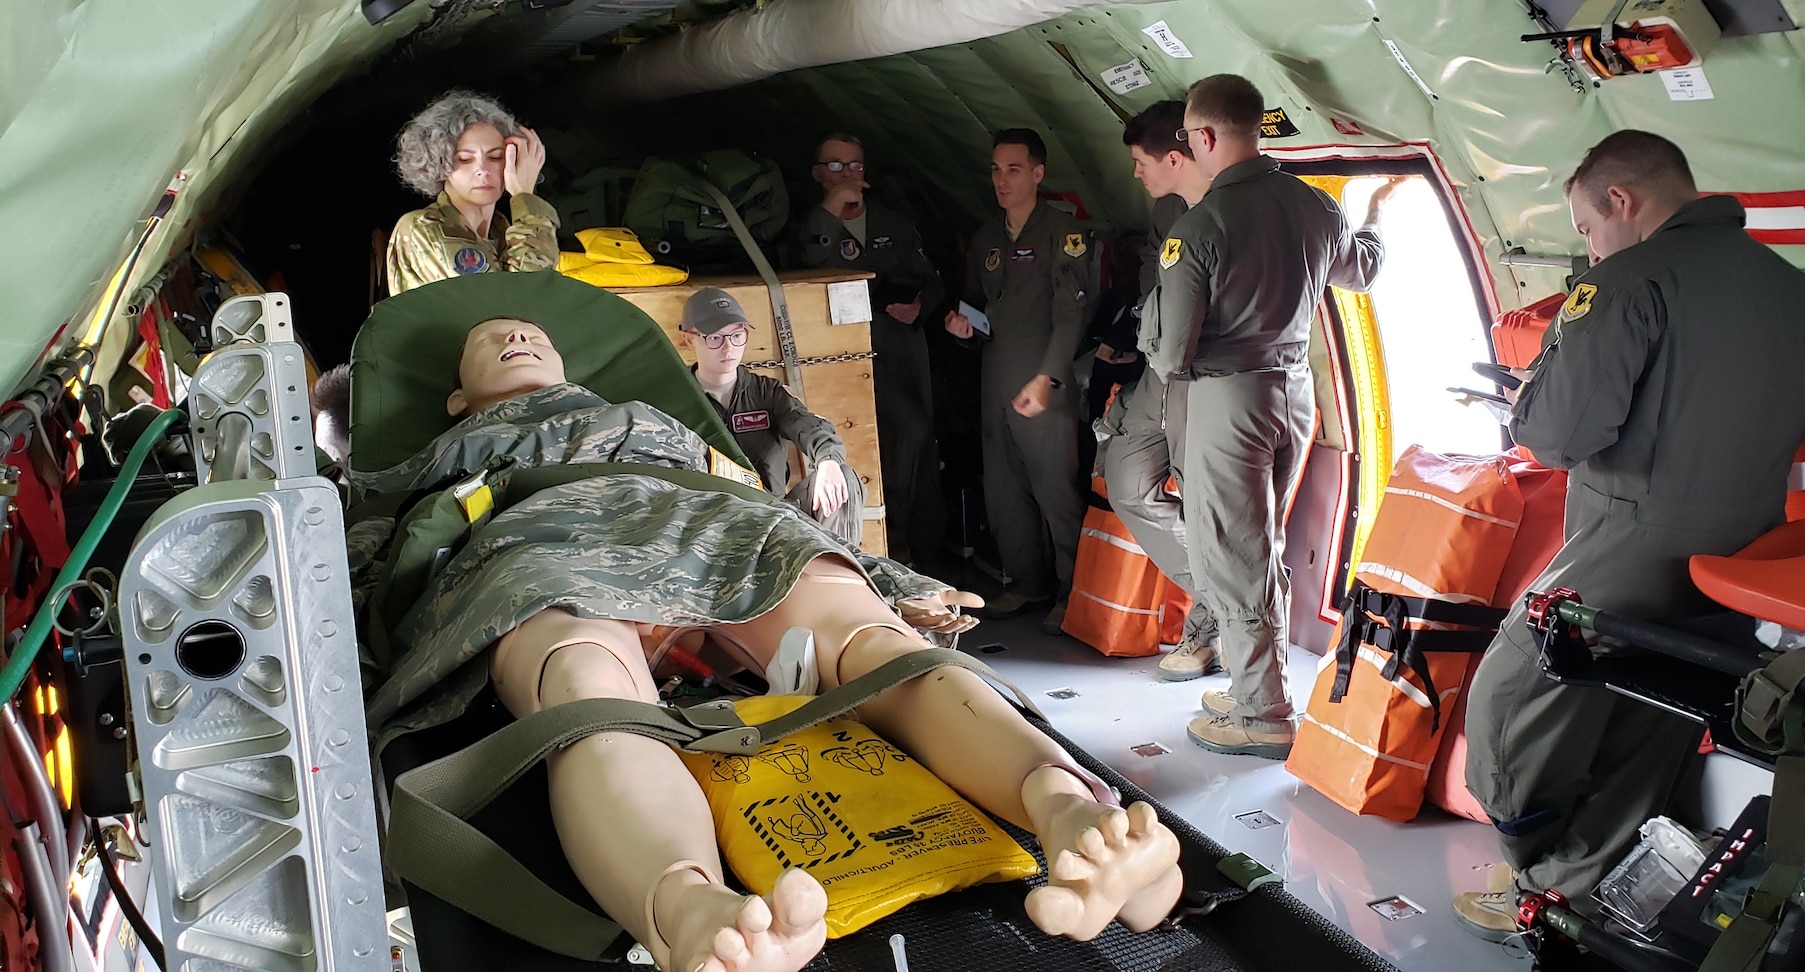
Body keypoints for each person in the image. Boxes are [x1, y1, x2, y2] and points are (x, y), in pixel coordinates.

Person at [353, 317, 1185, 972]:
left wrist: (896, 584)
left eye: (532, 334)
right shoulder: (440, 455)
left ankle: (1073, 815)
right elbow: (355, 553)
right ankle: (690, 916)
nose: (515, 337)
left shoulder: (648, 422)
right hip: (547, 544)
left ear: (571, 370)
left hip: (709, 524)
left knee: (868, 638)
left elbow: (752, 495)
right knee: (585, 689)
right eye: (490, 342)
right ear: (459, 398)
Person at [1451, 131, 1805, 940]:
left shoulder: (1626, 280)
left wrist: (1535, 391)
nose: (1588, 243)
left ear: (1620, 200)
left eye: (1587, 227)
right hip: (1742, 558)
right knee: (1648, 723)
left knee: (1508, 703)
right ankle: (1581, 895)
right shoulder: (1797, 291)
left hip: (1631, 542)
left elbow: (1557, 435)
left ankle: (1540, 873)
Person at [1148, 75, 1390, 759]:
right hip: (1294, 396)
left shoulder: (1201, 225)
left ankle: (1262, 712)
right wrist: (1372, 217)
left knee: (1232, 555)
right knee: (1264, 548)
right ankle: (1260, 682)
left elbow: (1170, 351)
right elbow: (1362, 272)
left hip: (1230, 399)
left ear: (1203, 137)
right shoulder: (1315, 205)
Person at [945, 130, 1096, 630]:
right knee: (1005, 490)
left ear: (1037, 173)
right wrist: (961, 328)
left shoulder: (1064, 233)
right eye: (995, 169)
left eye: (1013, 169)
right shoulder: (987, 236)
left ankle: (1072, 595)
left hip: (1042, 385)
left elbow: (1071, 316)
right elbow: (975, 305)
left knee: (1055, 491)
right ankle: (1027, 583)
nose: (1001, 180)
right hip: (997, 381)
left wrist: (1047, 378)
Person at [1099, 100, 1220, 681]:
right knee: (1126, 479)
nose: (1135, 174)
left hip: (1210, 377)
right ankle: (1228, 599)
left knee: (1209, 505)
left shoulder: (1236, 207)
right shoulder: (1169, 207)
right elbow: (1155, 262)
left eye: (1141, 160)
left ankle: (1218, 623)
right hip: (1156, 370)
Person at [788, 134, 950, 566]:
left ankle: (908, 543)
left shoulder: (893, 224)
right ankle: (868, 542)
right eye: (836, 167)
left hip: (895, 354)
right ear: (818, 175)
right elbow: (797, 269)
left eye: (855, 166)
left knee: (911, 438)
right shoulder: (804, 226)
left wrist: (919, 305)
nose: (847, 175)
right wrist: (828, 213)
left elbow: (932, 280)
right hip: (835, 365)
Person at [678, 286, 865, 544]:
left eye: (736, 336)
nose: (728, 348)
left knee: (842, 478)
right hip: (711, 529)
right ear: (688, 339)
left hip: (775, 517)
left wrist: (828, 461)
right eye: (714, 338)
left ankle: (837, 577)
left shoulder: (767, 393)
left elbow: (807, 425)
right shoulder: (677, 399)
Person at [386, 91, 559, 296]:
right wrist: (525, 200)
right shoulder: (422, 228)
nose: (482, 170)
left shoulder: (501, 230)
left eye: (495, 157)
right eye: (465, 159)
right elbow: (510, 303)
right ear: (440, 165)